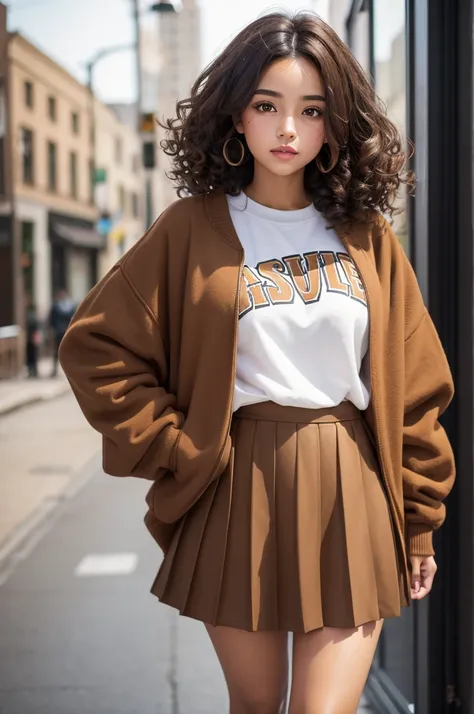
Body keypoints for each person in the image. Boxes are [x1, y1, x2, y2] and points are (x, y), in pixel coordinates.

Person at [58, 12, 455, 714]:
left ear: (336, 124)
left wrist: (419, 518)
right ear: (236, 114)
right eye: (267, 106)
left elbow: (415, 388)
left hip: (351, 480)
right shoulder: (191, 227)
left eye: (312, 110)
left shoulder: (365, 237)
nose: (288, 131)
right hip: (238, 485)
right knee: (255, 703)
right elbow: (96, 345)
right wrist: (177, 446)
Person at [48, 289, 75, 377]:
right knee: (57, 351)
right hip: (58, 331)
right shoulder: (55, 307)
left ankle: (71, 368)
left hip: (68, 331)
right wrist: (51, 330)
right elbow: (52, 320)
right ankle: (55, 369)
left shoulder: (71, 306)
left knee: (69, 351)